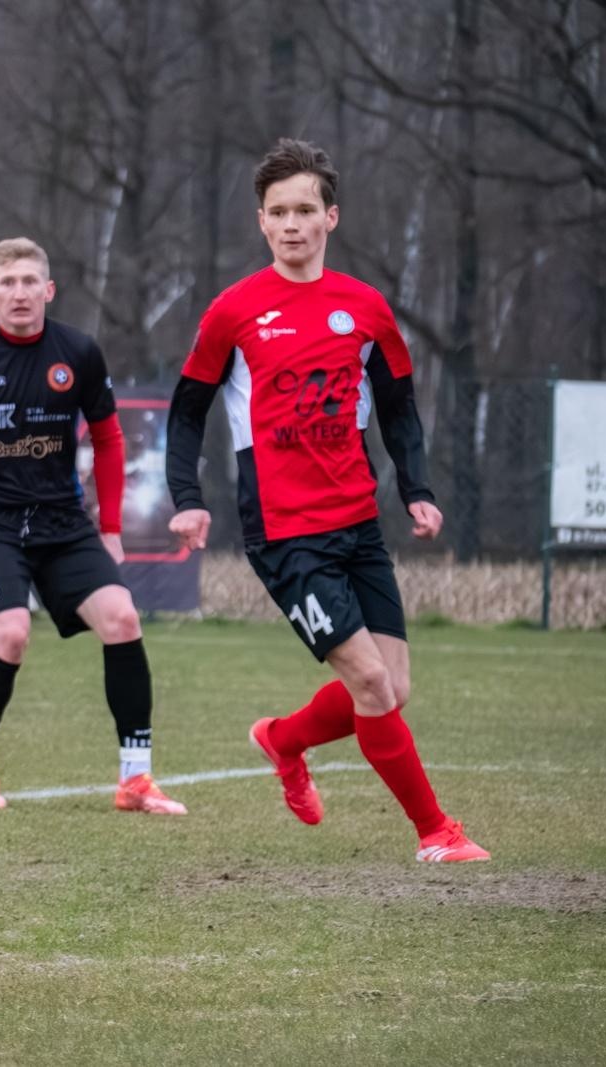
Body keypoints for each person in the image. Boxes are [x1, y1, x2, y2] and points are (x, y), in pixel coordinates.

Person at [164, 138, 488, 863]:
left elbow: (399, 409)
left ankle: (283, 739)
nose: (291, 224)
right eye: (278, 211)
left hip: (358, 524)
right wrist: (187, 496)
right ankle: (436, 832)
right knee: (369, 680)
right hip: (285, 534)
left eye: (305, 210)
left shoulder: (365, 309)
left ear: (330, 217)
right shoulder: (234, 312)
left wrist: (417, 491)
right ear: (261, 221)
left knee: (393, 685)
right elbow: (186, 413)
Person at [0, 237, 187, 816]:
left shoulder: (78, 352)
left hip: (64, 524)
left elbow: (109, 438)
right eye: (8, 282)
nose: (19, 292)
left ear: (48, 290)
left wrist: (111, 527)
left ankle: (136, 779)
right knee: (12, 633)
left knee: (123, 618)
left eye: (30, 282)